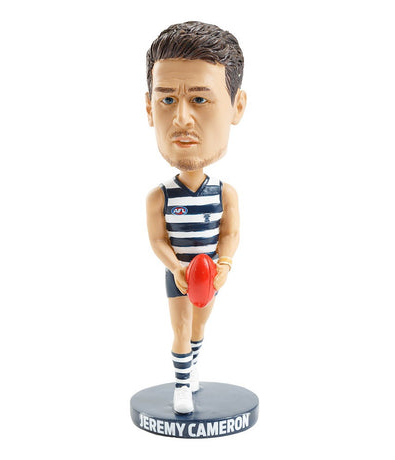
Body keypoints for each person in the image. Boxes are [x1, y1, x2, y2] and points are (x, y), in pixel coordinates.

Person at [145, 21, 247, 414]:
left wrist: (224, 264)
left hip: (211, 274)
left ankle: (191, 368)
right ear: (149, 108)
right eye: (168, 99)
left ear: (237, 107)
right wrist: (176, 268)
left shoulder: (224, 193)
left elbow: (230, 233)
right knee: (181, 328)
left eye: (200, 99)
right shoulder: (160, 196)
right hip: (180, 274)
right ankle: (181, 386)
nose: (182, 119)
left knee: (200, 327)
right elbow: (158, 240)